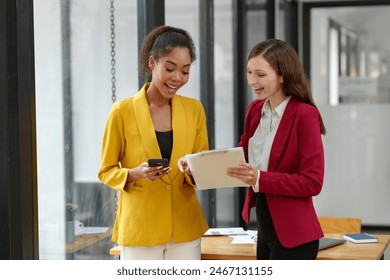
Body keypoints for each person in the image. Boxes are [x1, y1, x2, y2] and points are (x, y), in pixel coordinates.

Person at [97, 25, 209, 260]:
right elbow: (106, 171)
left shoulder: (194, 109)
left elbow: (201, 167)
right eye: (170, 68)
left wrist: (191, 170)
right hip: (141, 229)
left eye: (185, 71)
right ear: (152, 63)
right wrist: (136, 173)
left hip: (184, 228)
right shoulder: (122, 111)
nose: (177, 78)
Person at [226, 39, 326, 260]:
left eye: (260, 75)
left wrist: (260, 178)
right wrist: (199, 164)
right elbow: (242, 155)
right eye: (249, 72)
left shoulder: (305, 115)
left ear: (282, 75)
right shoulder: (255, 110)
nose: (252, 81)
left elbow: (313, 182)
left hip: (296, 236)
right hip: (264, 227)